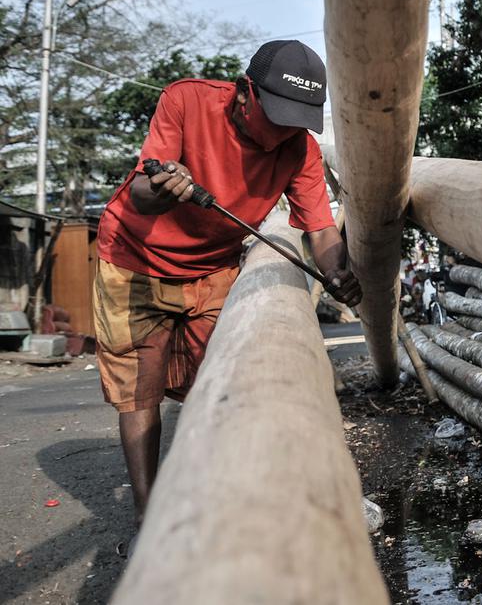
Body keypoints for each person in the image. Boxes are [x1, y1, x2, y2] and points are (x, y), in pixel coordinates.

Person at [91, 40, 362, 550]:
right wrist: (165, 182)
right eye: (278, 116)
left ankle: (207, 499)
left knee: (213, 383)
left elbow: (321, 230)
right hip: (134, 261)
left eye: (297, 120)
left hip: (212, 266)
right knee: (140, 388)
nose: (284, 131)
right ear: (244, 94)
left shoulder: (297, 148)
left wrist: (337, 271)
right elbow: (141, 194)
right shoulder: (185, 101)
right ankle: (149, 518)